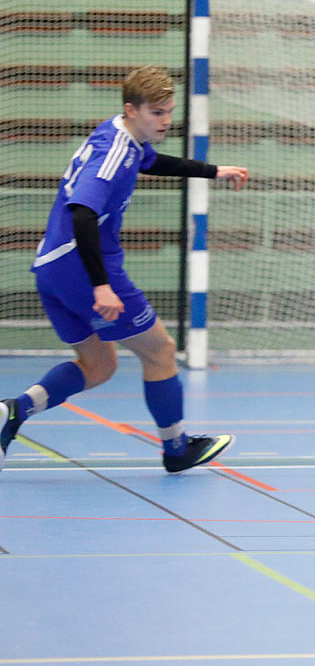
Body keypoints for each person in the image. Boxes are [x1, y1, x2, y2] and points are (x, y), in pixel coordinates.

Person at [0, 66, 248, 473]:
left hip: (51, 267)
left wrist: (213, 171)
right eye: (156, 113)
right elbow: (82, 214)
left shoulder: (120, 134)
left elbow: (152, 162)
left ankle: (13, 411)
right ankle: (176, 449)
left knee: (99, 366)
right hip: (81, 266)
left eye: (169, 111)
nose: (165, 121)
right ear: (132, 109)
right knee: (161, 351)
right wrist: (100, 286)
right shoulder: (113, 153)